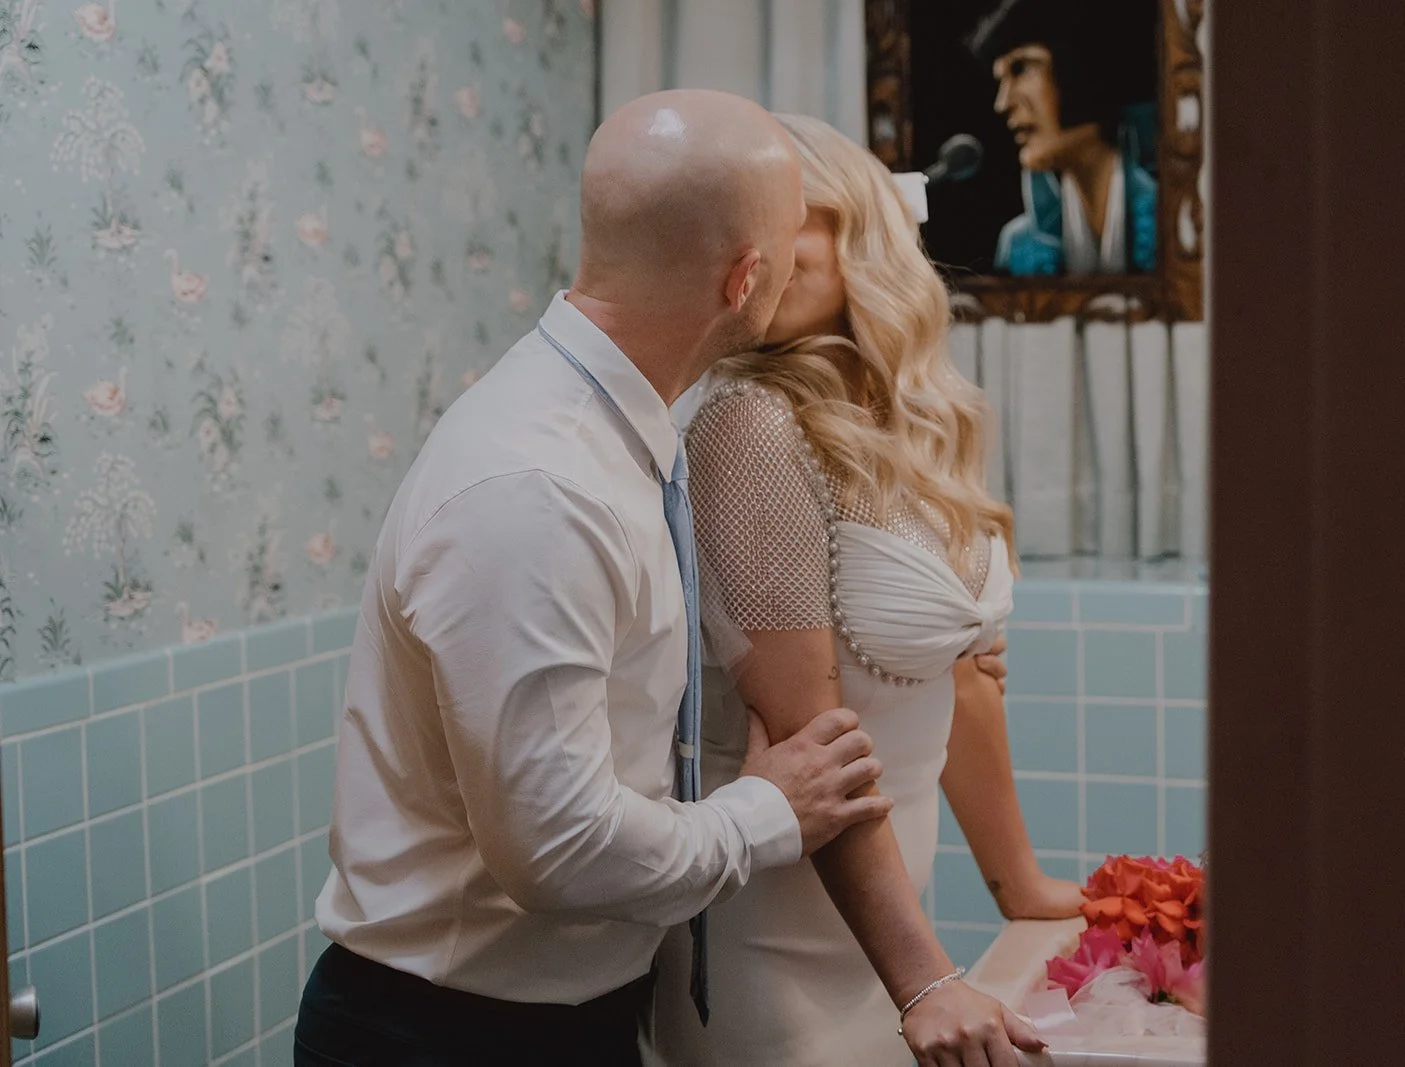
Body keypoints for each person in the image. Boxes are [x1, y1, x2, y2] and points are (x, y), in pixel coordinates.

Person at [292, 89, 896, 1067]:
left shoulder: (619, 434)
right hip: (450, 1036)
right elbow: (559, 848)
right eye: (793, 239)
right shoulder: (540, 485)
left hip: (564, 1018)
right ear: (745, 277)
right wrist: (767, 811)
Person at [648, 114, 1084, 1067]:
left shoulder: (918, 424)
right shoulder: (747, 426)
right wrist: (923, 978)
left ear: (861, 223)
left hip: (882, 934)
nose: (749, 253)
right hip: (780, 956)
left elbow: (962, 676)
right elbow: (809, 739)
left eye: (780, 218)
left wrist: (1019, 885)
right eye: (730, 230)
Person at [967, 0, 1159, 276]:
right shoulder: (1019, 246)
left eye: (1021, 68)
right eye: (1001, 80)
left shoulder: (1175, 225)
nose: (1003, 103)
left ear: (1085, 67)